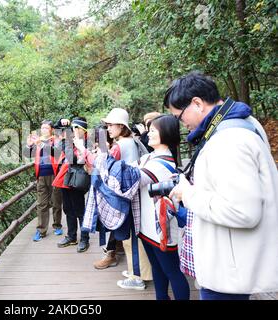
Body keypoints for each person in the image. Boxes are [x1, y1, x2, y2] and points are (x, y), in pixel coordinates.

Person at [167, 71, 278, 300]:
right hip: (241, 265)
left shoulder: (228, 140)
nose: (182, 124)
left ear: (197, 103)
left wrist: (188, 194)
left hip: (231, 276)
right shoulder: (244, 122)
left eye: (179, 117)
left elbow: (243, 212)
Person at [75, 108, 153, 290]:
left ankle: (137, 277)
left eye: (111, 125)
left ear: (121, 126)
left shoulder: (119, 146)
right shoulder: (133, 142)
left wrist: (82, 149)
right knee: (134, 236)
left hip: (126, 197)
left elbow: (101, 164)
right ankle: (138, 270)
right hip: (135, 193)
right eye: (107, 125)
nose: (108, 128)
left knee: (131, 238)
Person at [130, 114, 190, 300]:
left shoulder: (161, 164)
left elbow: (130, 178)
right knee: (157, 267)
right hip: (148, 227)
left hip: (162, 229)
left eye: (154, 130)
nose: (149, 133)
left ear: (166, 133)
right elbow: (127, 168)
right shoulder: (150, 157)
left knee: (172, 271)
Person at [53, 117, 91, 253]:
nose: (73, 130)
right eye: (72, 128)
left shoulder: (87, 142)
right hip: (65, 178)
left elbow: (75, 159)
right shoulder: (70, 140)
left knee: (80, 210)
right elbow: (54, 149)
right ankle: (72, 236)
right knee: (68, 209)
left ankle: (84, 239)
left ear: (83, 130)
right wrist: (60, 123)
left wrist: (69, 144)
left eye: (76, 128)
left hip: (78, 180)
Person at [24, 120, 63, 242]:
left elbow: (57, 153)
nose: (44, 130)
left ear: (51, 129)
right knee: (41, 204)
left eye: (46, 128)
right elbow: (28, 154)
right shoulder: (37, 141)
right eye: (42, 128)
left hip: (54, 174)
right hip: (41, 175)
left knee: (56, 201)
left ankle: (57, 225)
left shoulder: (56, 140)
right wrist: (29, 145)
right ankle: (41, 230)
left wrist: (41, 144)